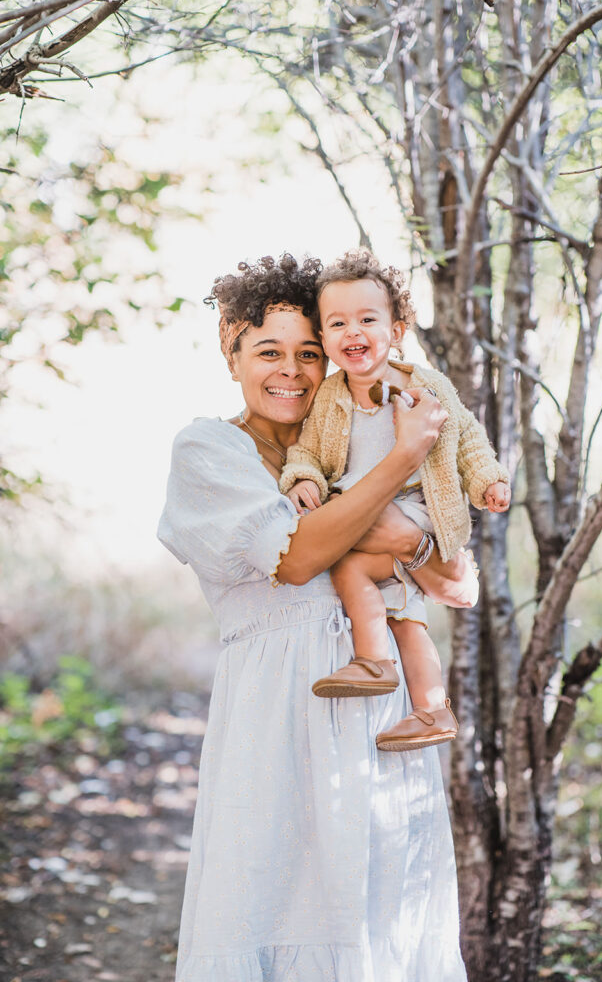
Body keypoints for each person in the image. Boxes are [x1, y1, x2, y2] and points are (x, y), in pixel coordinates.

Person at [158, 253, 471, 982]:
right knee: (272, 900)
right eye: (268, 351)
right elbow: (296, 559)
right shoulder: (209, 450)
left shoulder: (345, 448)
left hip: (379, 712)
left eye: (307, 352)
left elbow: (457, 583)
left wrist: (406, 532)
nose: (292, 372)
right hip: (273, 721)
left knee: (382, 904)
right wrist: (400, 467)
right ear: (229, 347)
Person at [281, 250, 510, 752]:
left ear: (398, 328)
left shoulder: (425, 386)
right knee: (404, 614)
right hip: (363, 507)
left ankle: (374, 662)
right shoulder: (330, 398)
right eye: (336, 323)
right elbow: (309, 453)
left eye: (367, 319)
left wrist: (487, 479)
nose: (352, 331)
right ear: (323, 338)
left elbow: (468, 436)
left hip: (417, 506)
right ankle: (431, 710)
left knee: (348, 568)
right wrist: (303, 480)